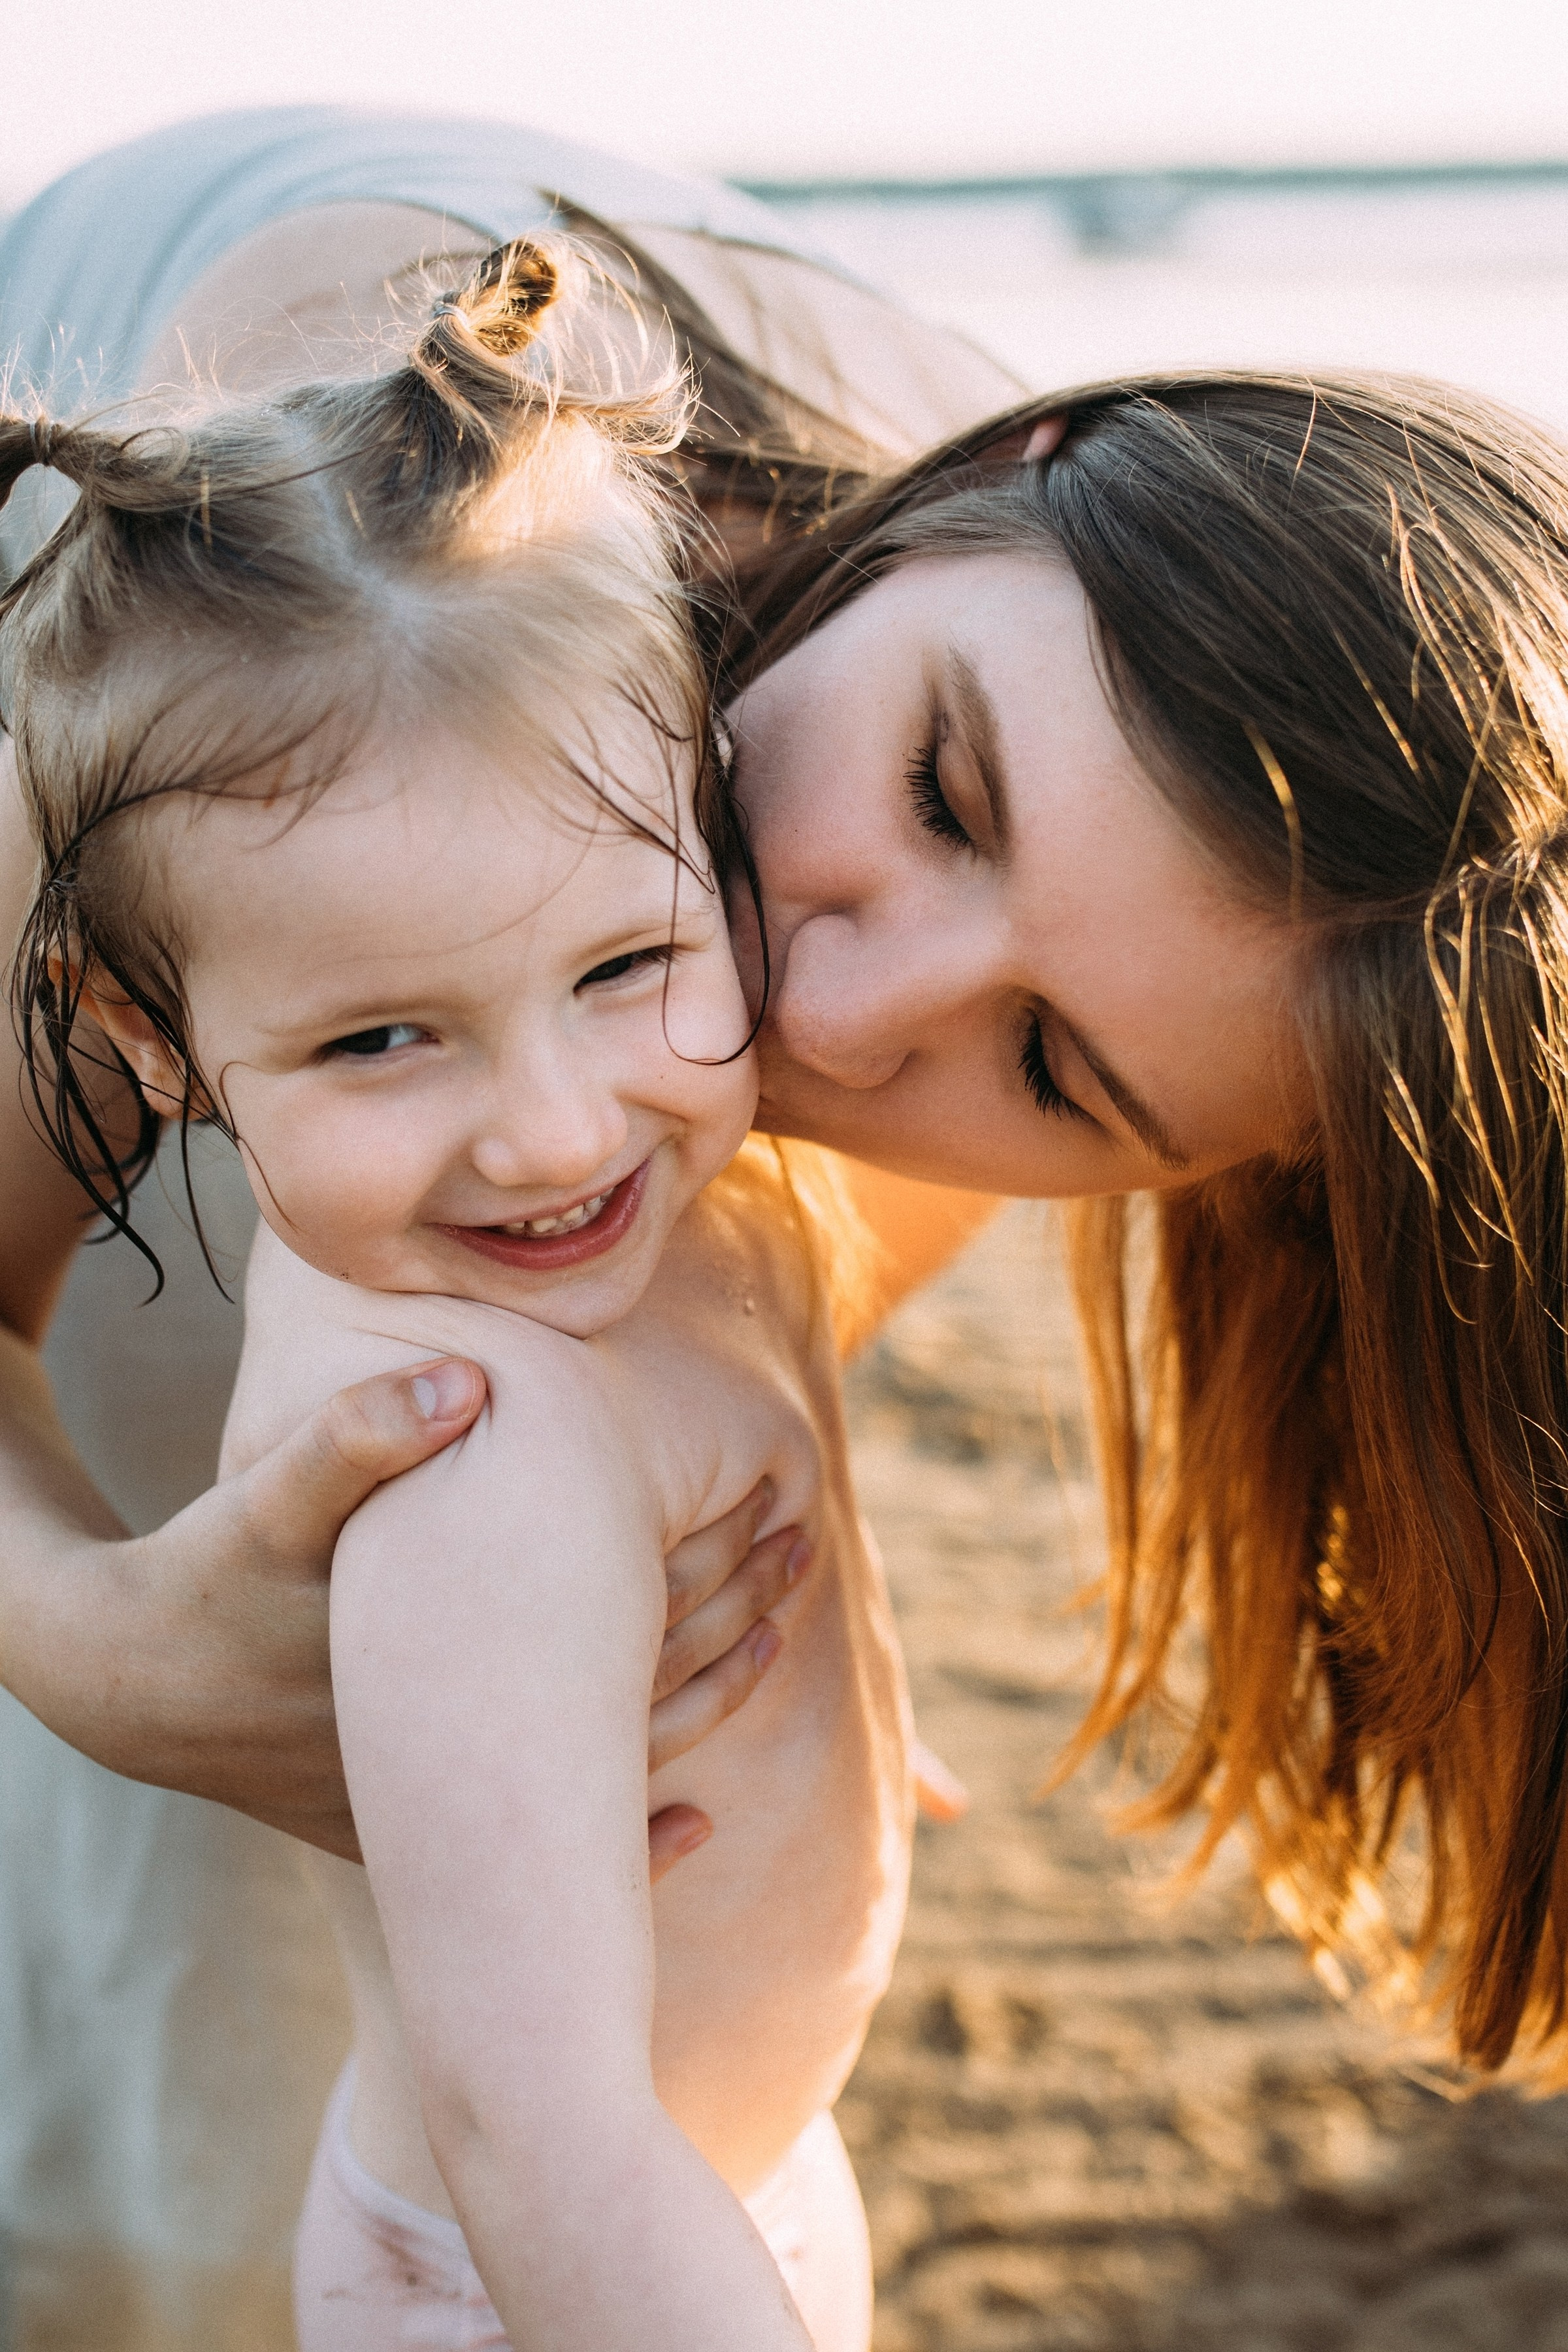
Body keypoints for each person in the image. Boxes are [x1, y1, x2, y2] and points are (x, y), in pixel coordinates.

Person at [12, 99, 1568, 2348]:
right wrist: (106, 1657)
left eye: (1052, 1071)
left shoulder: (818, 976)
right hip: (174, 578)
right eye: (947, 786)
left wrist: (754, 1619)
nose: (828, 1006)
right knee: (198, 2057)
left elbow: (745, 1311)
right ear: (1017, 471)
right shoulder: (321, 628)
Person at [0, 112, 1013, 2349]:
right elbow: (538, 2135)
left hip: (725, 2166)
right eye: (380, 1043)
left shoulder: (697, 1189)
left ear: (720, 822)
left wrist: (834, 1699)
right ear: (151, 1046)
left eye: (628, 969)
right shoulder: (454, 1457)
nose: (553, 1132)